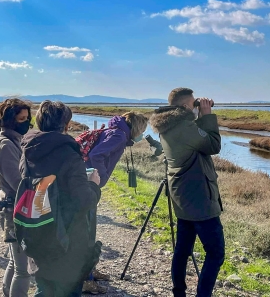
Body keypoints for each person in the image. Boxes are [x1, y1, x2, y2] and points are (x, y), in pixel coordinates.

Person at [149, 88, 225, 297]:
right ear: (184, 107)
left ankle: (179, 292)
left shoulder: (169, 125)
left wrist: (198, 115)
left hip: (182, 196)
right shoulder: (183, 126)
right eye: (194, 104)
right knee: (216, 252)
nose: (197, 106)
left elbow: (196, 142)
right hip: (199, 199)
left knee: (182, 250)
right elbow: (213, 144)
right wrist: (207, 116)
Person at [21, 100, 101, 297]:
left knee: (43, 287)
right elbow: (84, 201)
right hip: (67, 237)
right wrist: (93, 184)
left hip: (37, 230)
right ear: (66, 125)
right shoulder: (68, 154)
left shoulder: (29, 149)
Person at [83, 111, 148, 294]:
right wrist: (101, 178)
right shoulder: (119, 136)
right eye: (143, 129)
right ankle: (84, 279)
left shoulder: (114, 130)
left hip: (86, 182)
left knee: (88, 229)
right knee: (87, 231)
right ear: (137, 127)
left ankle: (88, 271)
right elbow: (96, 156)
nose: (143, 134)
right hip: (88, 184)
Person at [0, 98, 34, 297]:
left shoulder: (13, 140)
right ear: (10, 120)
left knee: (14, 262)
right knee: (23, 270)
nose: (26, 122)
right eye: (21, 119)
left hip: (13, 207)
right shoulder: (7, 145)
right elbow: (17, 182)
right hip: (12, 210)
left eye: (27, 118)